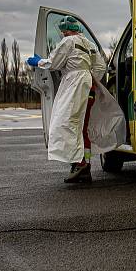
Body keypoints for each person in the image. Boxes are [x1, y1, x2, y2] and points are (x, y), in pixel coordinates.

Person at [27, 16, 124, 183]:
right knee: (82, 128)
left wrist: (39, 62)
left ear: (67, 30)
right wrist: (91, 78)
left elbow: (54, 63)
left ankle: (80, 164)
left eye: (64, 31)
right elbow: (100, 67)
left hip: (74, 87)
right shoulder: (90, 45)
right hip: (89, 89)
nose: (63, 34)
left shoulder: (68, 41)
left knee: (68, 124)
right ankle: (84, 165)